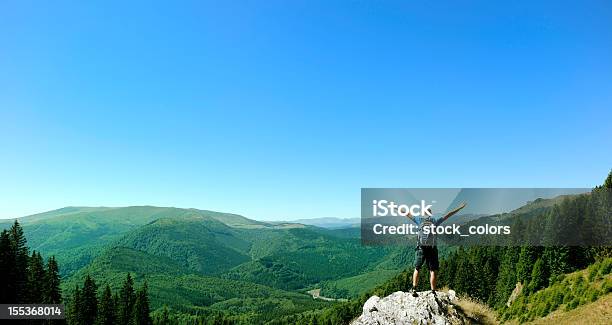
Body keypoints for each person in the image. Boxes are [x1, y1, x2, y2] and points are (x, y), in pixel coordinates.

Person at [403, 202, 466, 297]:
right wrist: (459, 208)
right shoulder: (435, 221)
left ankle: (414, 288)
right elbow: (448, 214)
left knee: (417, 268)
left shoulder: (419, 220)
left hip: (421, 248)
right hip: (432, 248)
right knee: (432, 270)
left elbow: (407, 213)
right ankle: (433, 291)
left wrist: (395, 208)